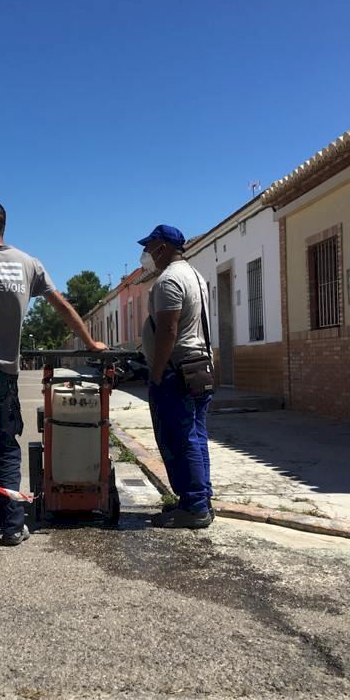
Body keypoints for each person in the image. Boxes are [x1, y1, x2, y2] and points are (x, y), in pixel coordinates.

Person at [0, 202, 107, 546]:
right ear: (3, 226)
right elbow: (61, 305)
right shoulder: (30, 263)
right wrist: (90, 343)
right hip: (4, 369)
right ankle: (13, 524)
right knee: (6, 446)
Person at [138, 224, 215, 529]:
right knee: (196, 436)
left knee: (180, 439)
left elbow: (168, 331)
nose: (146, 253)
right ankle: (200, 500)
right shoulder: (194, 275)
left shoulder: (169, 280)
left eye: (149, 247)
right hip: (198, 367)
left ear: (163, 246)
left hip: (176, 371)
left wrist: (156, 374)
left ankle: (193, 506)